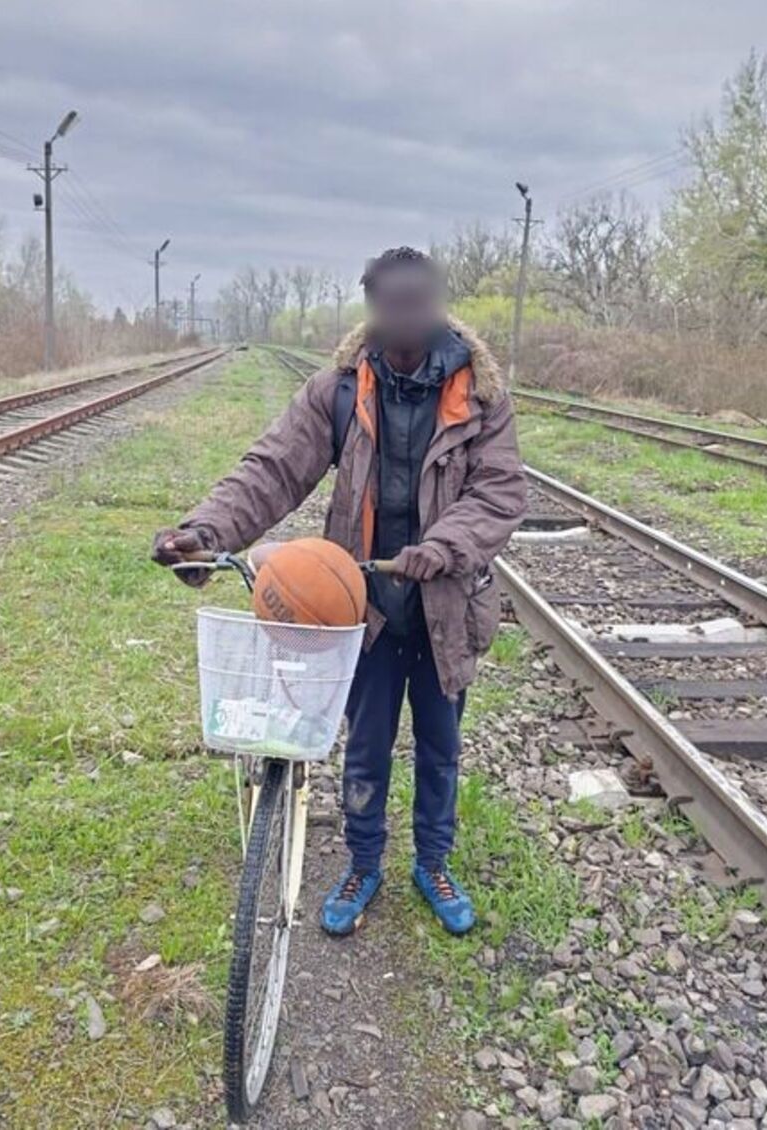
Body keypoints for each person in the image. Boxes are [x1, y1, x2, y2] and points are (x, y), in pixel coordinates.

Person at [152, 247, 526, 937]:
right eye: (392, 303)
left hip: (446, 605)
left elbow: (500, 492)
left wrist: (443, 548)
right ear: (373, 307)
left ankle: (434, 863)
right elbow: (272, 469)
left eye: (418, 302)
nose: (405, 315)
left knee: (441, 747)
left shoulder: (481, 396)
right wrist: (205, 532)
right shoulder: (338, 390)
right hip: (364, 607)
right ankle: (362, 862)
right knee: (366, 743)